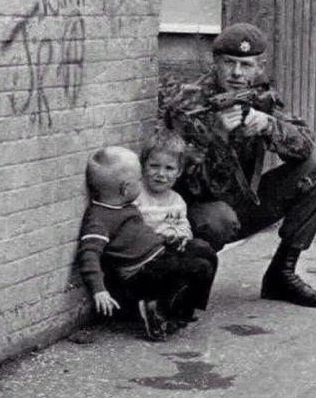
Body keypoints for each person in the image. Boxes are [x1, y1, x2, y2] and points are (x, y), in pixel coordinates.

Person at [159, 22, 316, 308]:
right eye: (228, 63)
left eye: (246, 65)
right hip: (196, 211)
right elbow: (190, 183)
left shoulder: (257, 95)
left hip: (243, 203)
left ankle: (282, 274)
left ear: (259, 67)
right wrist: (218, 136)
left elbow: (305, 145)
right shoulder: (190, 103)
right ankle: (183, 283)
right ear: (215, 62)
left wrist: (269, 125)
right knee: (219, 219)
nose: (237, 73)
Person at [77, 146, 217, 341]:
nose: (141, 183)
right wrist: (99, 290)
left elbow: (140, 236)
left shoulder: (125, 206)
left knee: (204, 250)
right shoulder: (99, 219)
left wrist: (168, 239)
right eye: (138, 180)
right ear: (125, 188)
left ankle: (182, 310)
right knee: (198, 267)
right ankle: (156, 311)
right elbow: (89, 255)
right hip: (138, 274)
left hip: (158, 256)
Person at [135, 127, 218, 323]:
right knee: (191, 265)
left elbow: (184, 227)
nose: (161, 174)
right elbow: (132, 230)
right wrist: (159, 235)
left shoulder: (176, 200)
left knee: (205, 252)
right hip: (147, 257)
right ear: (143, 166)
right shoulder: (137, 196)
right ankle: (160, 308)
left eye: (169, 168)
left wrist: (180, 236)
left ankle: (186, 308)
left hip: (171, 249)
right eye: (154, 166)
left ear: (179, 171)